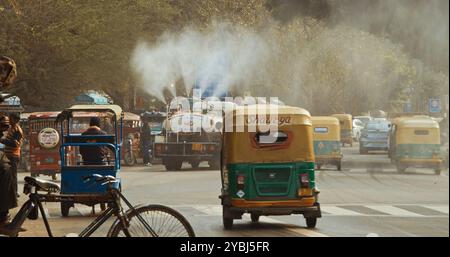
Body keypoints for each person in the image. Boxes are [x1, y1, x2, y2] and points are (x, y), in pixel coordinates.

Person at [0, 113, 24, 226]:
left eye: (9, 120)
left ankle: (14, 195)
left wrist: (2, 141)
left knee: (11, 177)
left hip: (13, 156)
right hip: (7, 155)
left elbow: (15, 144)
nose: (8, 122)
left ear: (15, 119)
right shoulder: (12, 128)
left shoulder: (17, 130)